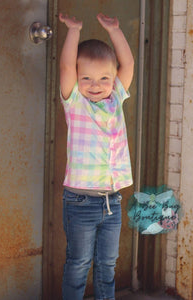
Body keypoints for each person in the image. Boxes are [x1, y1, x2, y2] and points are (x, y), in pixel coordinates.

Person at [59, 12, 134, 300]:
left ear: (113, 79)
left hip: (111, 200)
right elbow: (66, 65)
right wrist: (74, 31)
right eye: (86, 77)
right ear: (77, 80)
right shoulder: (75, 102)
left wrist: (115, 31)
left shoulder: (116, 98)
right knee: (78, 264)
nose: (95, 84)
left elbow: (127, 64)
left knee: (107, 265)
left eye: (104, 77)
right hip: (80, 202)